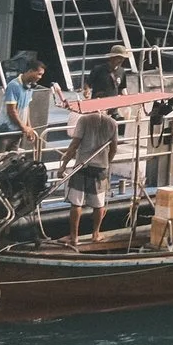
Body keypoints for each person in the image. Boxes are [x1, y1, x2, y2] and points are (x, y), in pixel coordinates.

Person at [60, 103, 119, 247]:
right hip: (100, 168)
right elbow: (114, 148)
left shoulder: (84, 120)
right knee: (99, 204)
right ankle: (95, 234)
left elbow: (74, 145)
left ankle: (74, 237)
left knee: (76, 202)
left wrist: (63, 165)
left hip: (82, 165)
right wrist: (107, 162)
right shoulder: (112, 123)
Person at [0, 53, 49, 152]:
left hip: (17, 131)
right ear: (30, 71)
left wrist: (29, 127)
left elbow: (26, 107)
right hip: (4, 131)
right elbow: (11, 110)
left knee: (12, 161)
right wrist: (24, 127)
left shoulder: (29, 87)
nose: (40, 77)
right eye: (39, 74)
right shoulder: (14, 85)